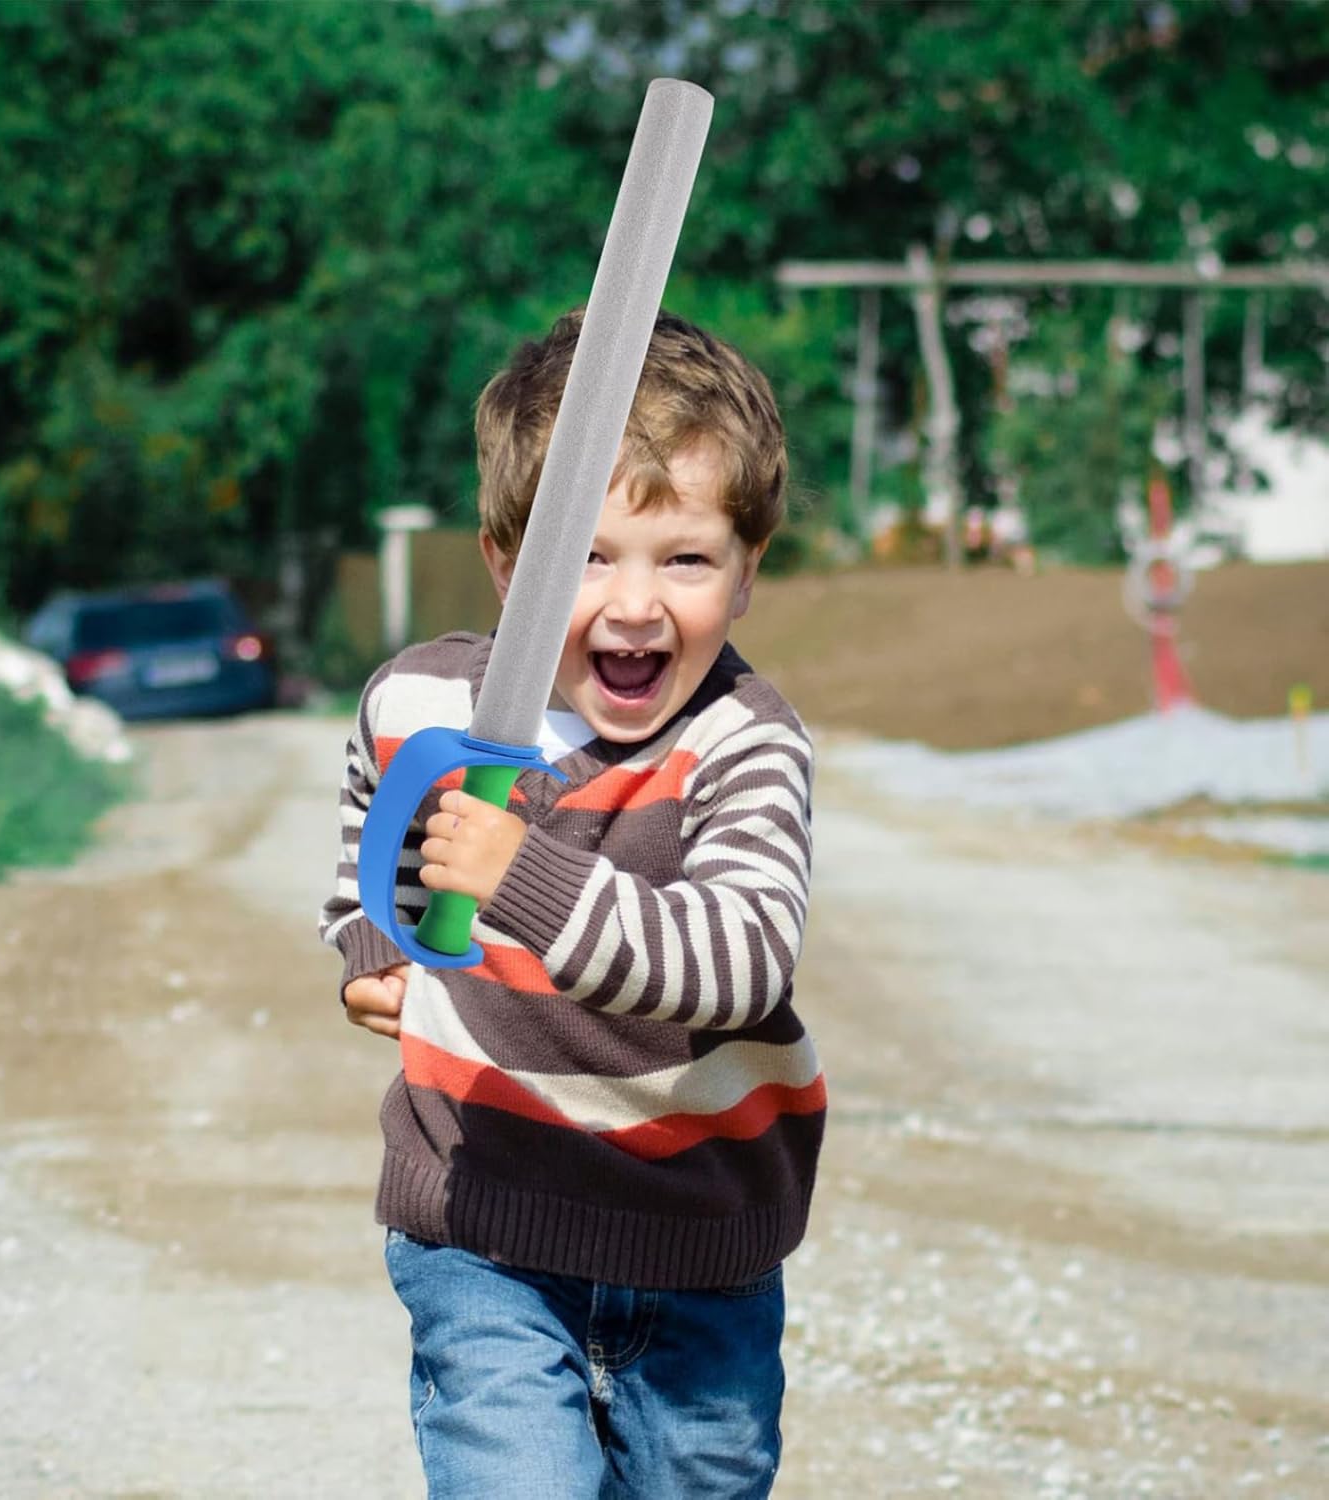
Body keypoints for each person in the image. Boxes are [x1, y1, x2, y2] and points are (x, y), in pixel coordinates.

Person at [320, 307, 824, 1499]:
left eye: (685, 559)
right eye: (586, 557)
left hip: (699, 1245)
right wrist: (373, 941)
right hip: (482, 1226)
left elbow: (741, 960)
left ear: (748, 569)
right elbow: (371, 808)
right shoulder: (423, 700)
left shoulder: (744, 745)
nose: (635, 604)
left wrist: (524, 877)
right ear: (507, 562)